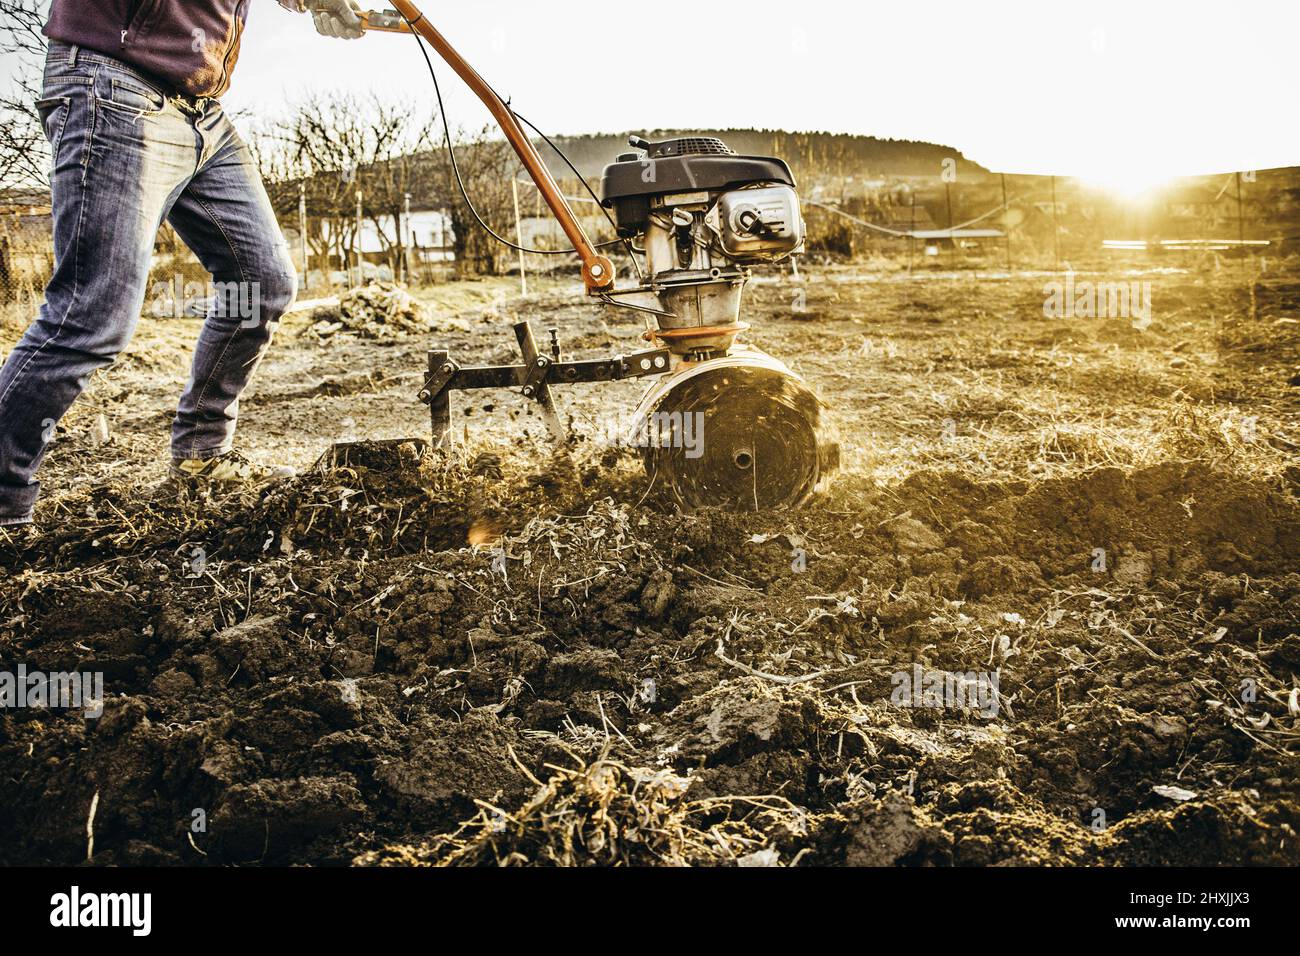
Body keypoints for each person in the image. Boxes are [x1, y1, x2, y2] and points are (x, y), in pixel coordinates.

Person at [0, 0, 365, 544]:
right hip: (114, 83)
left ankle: (200, 458)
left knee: (260, 281)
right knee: (92, 315)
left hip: (200, 111)